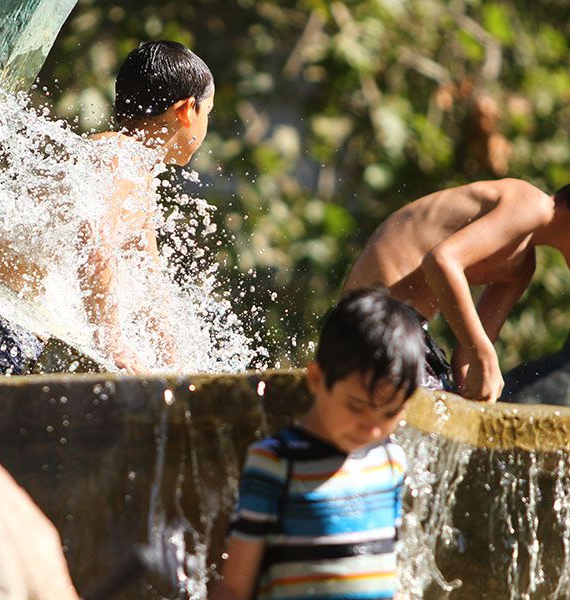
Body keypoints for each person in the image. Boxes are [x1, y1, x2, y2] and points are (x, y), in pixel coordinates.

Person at [0, 40, 215, 374]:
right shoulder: (116, 156)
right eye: (208, 113)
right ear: (186, 111)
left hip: (7, 313)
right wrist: (111, 339)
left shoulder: (138, 175)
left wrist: (176, 365)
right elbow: (95, 241)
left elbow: (150, 283)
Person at [212, 288, 424, 600]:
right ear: (315, 378)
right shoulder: (277, 462)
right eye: (355, 406)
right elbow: (234, 587)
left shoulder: (390, 461)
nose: (372, 427)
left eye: (391, 413)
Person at [342, 179, 570, 402]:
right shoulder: (532, 204)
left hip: (410, 330)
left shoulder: (522, 269)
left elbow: (466, 359)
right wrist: (485, 358)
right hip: (376, 313)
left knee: (449, 415)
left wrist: (475, 392)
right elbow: (441, 261)